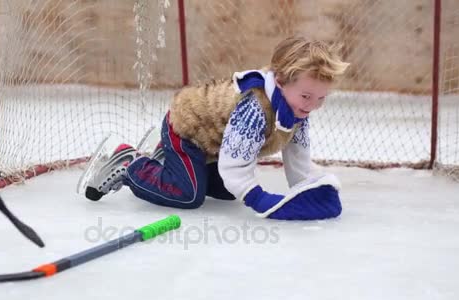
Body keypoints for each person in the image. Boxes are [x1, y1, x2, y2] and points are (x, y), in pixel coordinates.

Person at [85, 36, 350, 221]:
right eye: (306, 97)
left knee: (226, 192)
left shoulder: (296, 108)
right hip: (187, 131)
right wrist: (258, 198)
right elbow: (234, 166)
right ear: (280, 81)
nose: (313, 106)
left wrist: (308, 189)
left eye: (321, 98)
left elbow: (298, 158)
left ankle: (164, 159)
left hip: (213, 144)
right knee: (188, 196)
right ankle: (129, 162)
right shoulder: (255, 109)